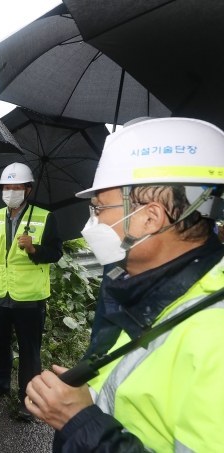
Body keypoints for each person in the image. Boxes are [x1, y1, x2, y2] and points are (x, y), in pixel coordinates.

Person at [25, 117, 224, 452]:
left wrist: (79, 419)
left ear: (151, 217)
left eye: (100, 208)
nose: (94, 222)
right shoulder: (147, 287)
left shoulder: (214, 333)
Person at [0, 162, 62, 418]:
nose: (10, 191)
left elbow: (56, 253)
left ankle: (28, 399)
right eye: (6, 186)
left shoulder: (45, 217)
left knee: (29, 351)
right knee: (0, 344)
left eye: (16, 187)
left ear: (28, 189)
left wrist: (35, 249)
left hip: (30, 297)